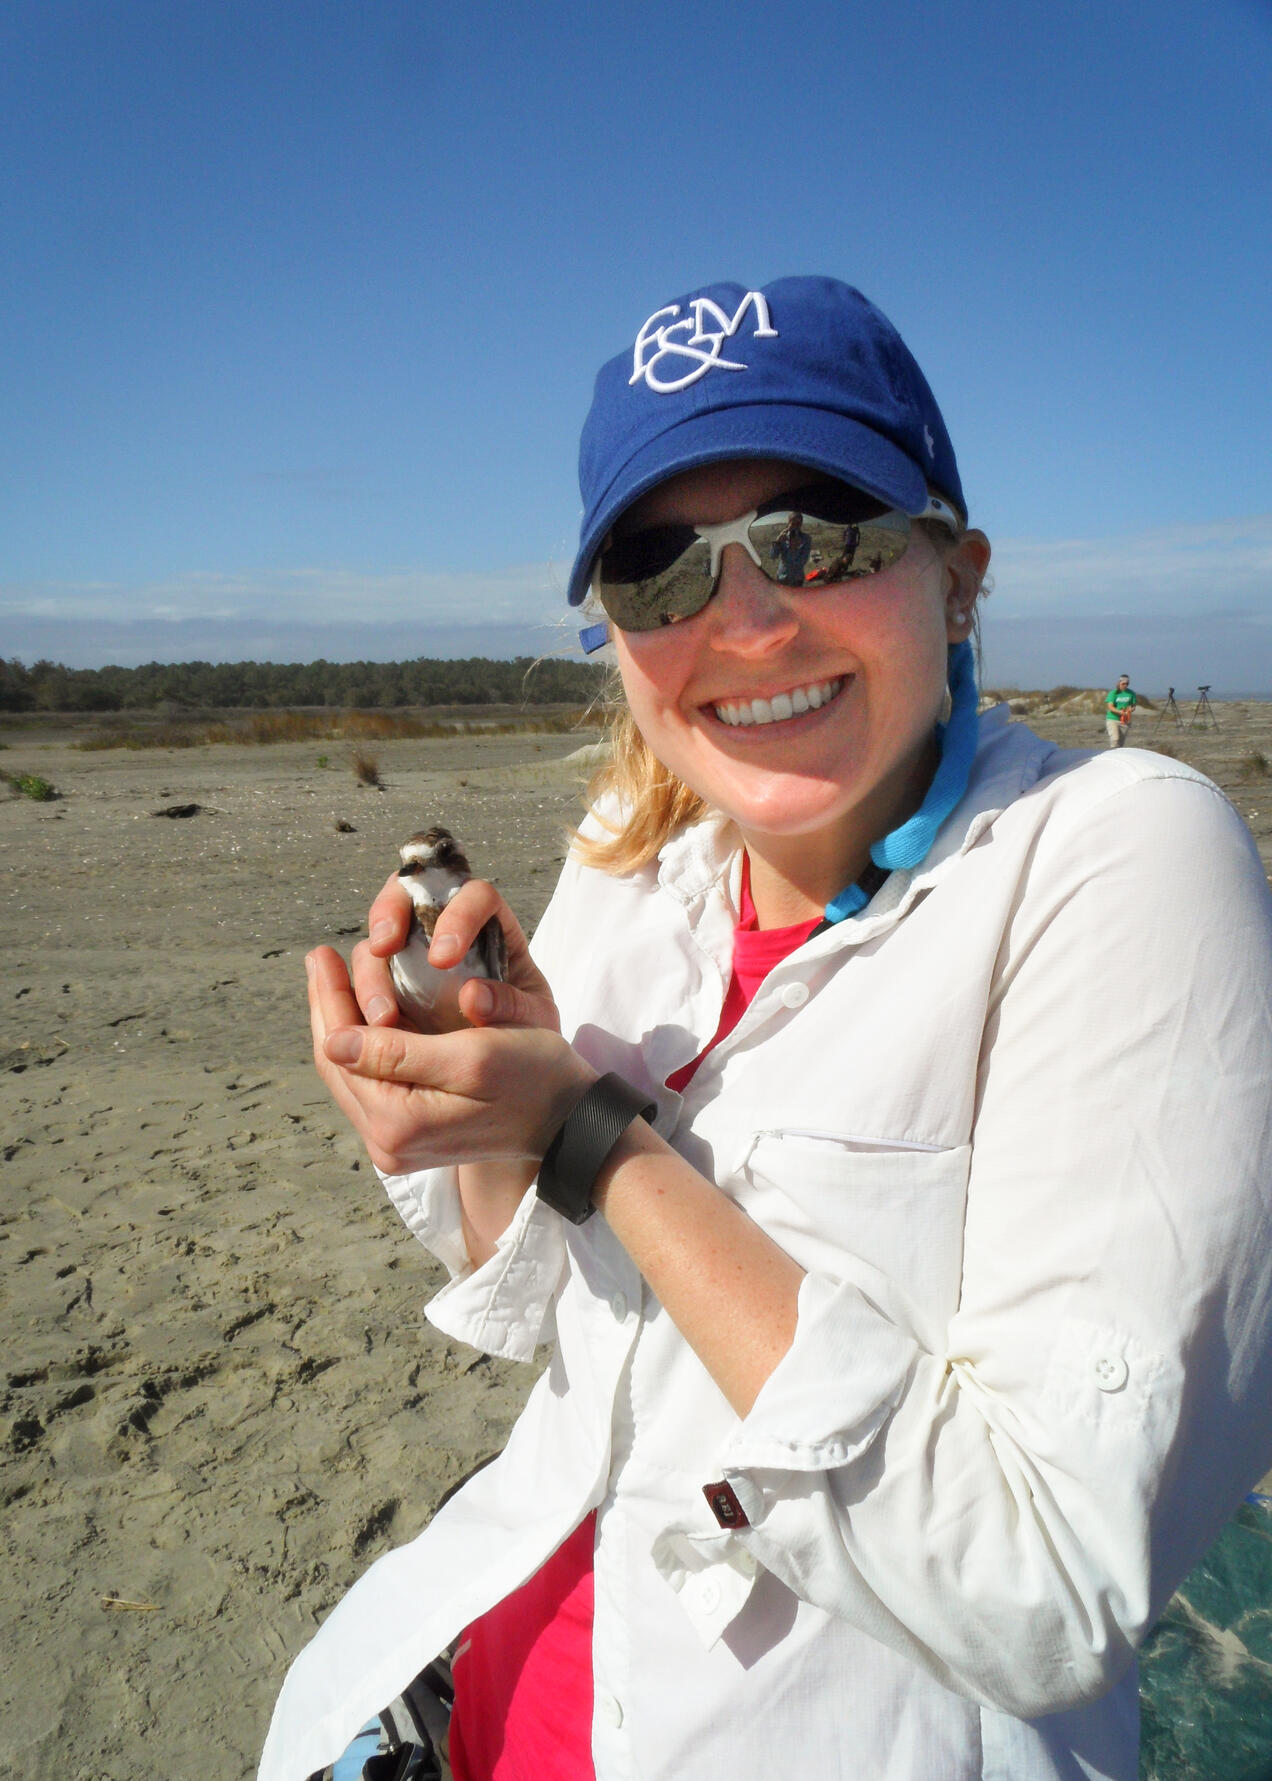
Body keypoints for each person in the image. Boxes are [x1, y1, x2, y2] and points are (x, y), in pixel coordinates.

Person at [259, 277, 1272, 1781]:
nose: (738, 617)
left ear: (958, 572)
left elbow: (1047, 1578)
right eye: (657, 568)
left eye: (815, 532)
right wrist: (478, 1110)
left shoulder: (1114, 853)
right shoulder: (633, 849)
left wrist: (589, 1137)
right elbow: (545, 1305)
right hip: (496, 1684)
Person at [1105, 674, 1137, 747]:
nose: (1125, 685)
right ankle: (1112, 755)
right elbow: (1110, 706)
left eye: (1127, 684)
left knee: (1120, 743)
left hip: (1124, 720)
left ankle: (1118, 755)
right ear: (1119, 682)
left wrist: (1130, 710)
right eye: (1123, 683)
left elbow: (1133, 706)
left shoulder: (1131, 693)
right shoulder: (1114, 693)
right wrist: (1120, 712)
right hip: (1113, 719)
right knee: (1115, 739)